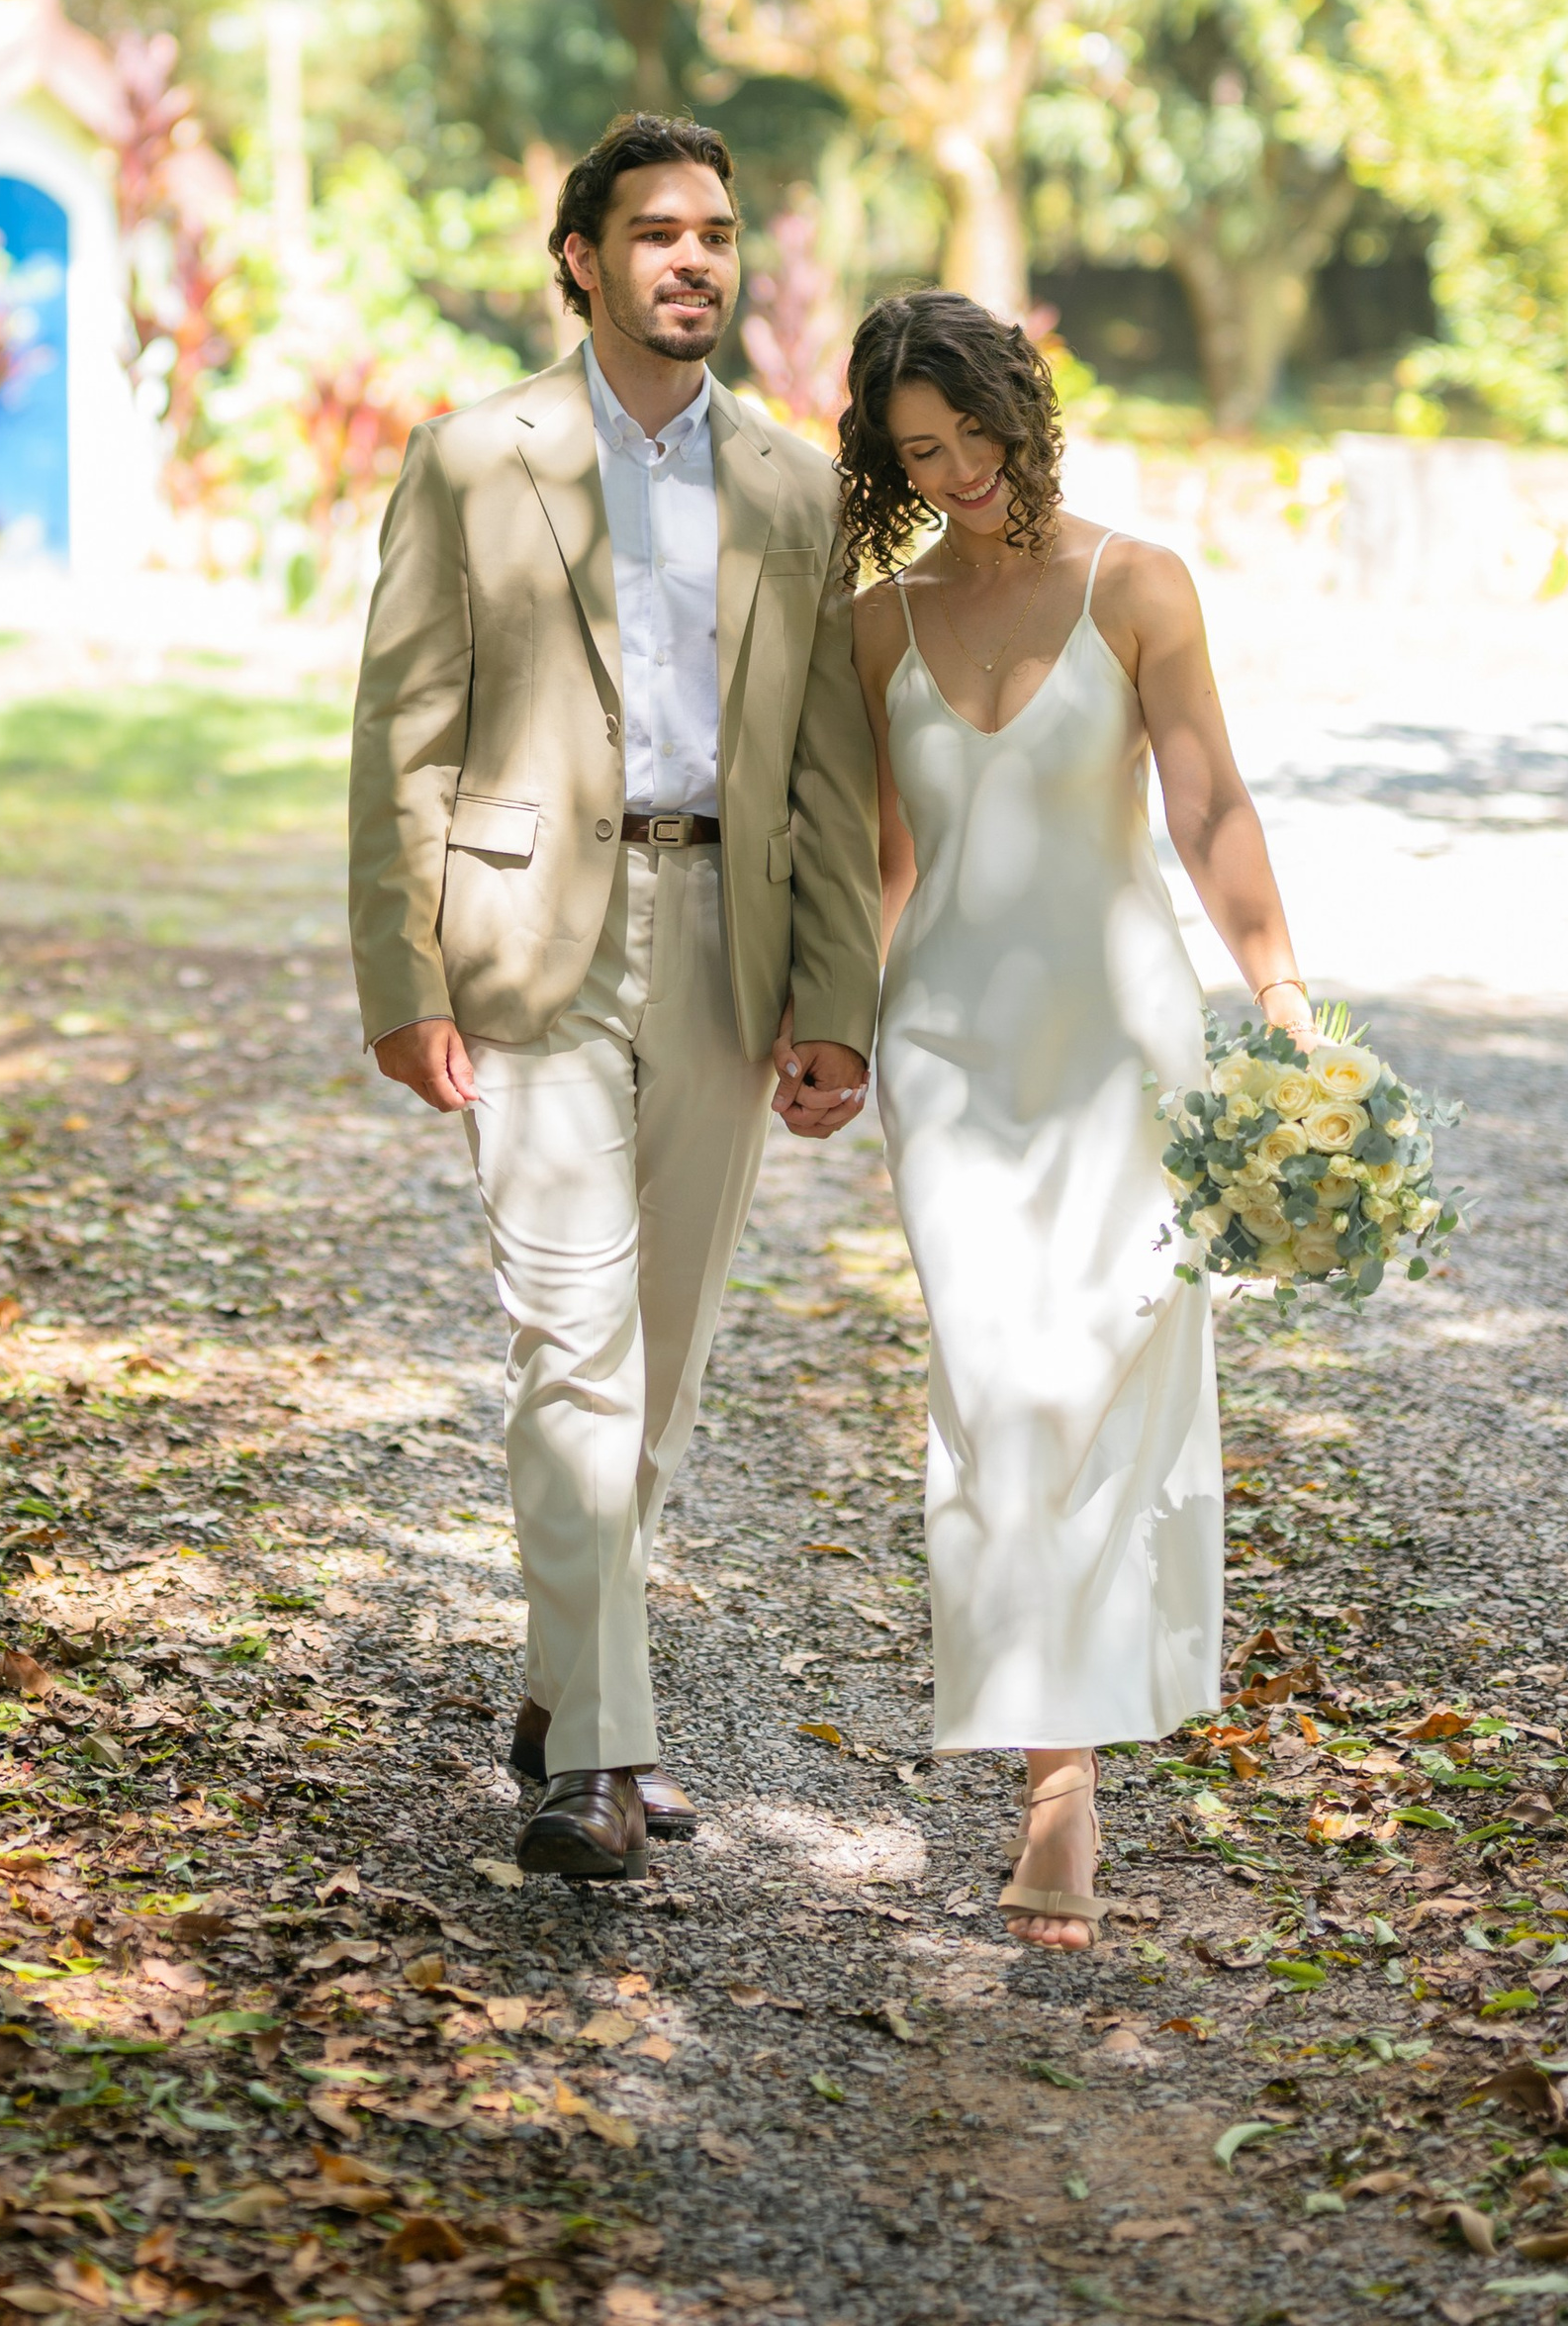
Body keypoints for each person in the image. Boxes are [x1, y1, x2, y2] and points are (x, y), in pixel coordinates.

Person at [347, 115, 881, 1881]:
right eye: (655, 230)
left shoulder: (801, 493)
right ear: (581, 256)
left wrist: (838, 1001)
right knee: (569, 1339)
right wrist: (400, 972)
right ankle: (603, 1763)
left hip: (734, 934)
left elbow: (827, 766)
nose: (692, 260)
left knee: (663, 1365)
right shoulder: (469, 460)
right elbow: (403, 734)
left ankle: (564, 1675)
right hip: (532, 946)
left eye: (716, 232)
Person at [840, 289, 1316, 1948]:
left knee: (1102, 1376)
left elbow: (1206, 799)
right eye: (920, 452)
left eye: (973, 435)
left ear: (1020, 414)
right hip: (952, 1058)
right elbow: (890, 865)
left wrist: (1284, 1001)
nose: (957, 471)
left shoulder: (1136, 585)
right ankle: (1057, 1782)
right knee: (1000, 1383)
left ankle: (1070, 1763)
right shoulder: (881, 624)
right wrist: (837, 1030)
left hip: (1127, 1052)